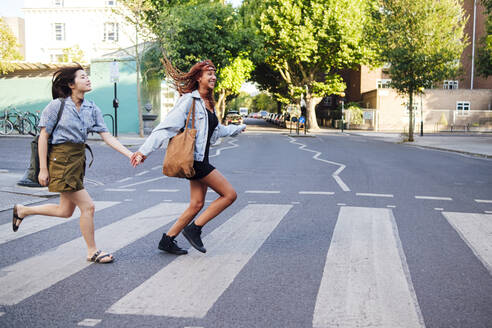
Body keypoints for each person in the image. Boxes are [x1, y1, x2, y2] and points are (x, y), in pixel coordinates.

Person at [12, 64, 133, 264]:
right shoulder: (57, 106)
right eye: (83, 76)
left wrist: (129, 154)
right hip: (60, 160)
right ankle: (92, 251)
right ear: (71, 84)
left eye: (87, 76)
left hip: (77, 161)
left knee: (65, 211)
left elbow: (107, 136)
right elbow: (43, 137)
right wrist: (42, 169)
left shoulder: (91, 108)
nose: (88, 79)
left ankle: (22, 210)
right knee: (88, 207)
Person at [131, 59, 245, 255]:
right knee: (229, 195)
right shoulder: (189, 101)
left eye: (214, 73)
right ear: (198, 77)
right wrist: (143, 151)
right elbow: (166, 127)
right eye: (209, 73)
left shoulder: (209, 103)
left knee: (196, 204)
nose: (213, 77)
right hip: (195, 160)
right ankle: (194, 229)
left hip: (202, 159)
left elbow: (217, 132)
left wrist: (238, 128)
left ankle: (167, 240)